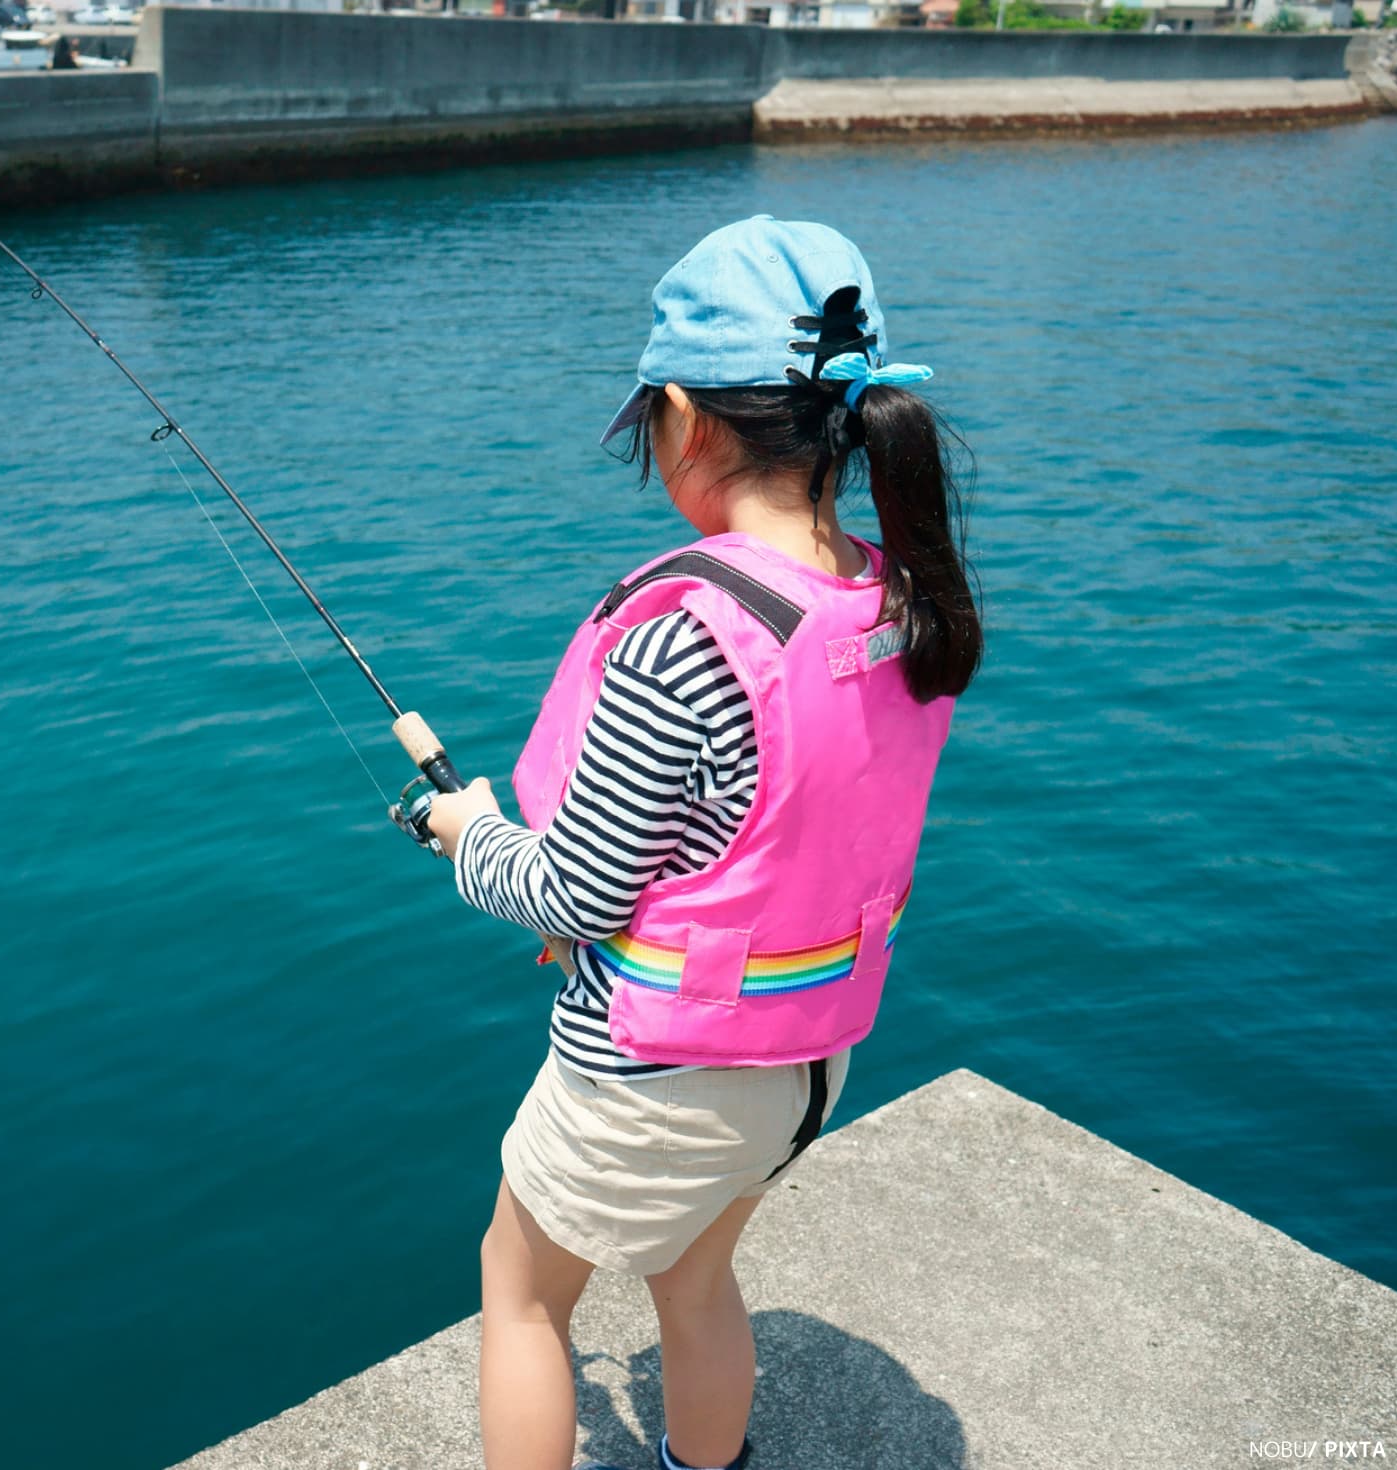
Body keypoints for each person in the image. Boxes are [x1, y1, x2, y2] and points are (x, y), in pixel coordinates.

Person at [422, 216, 984, 1470]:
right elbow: (754, 835)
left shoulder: (688, 634)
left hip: (654, 1077)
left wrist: (467, 834)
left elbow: (573, 884)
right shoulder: (894, 598)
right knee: (692, 1278)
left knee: (519, 1289)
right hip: (804, 1057)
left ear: (684, 418)